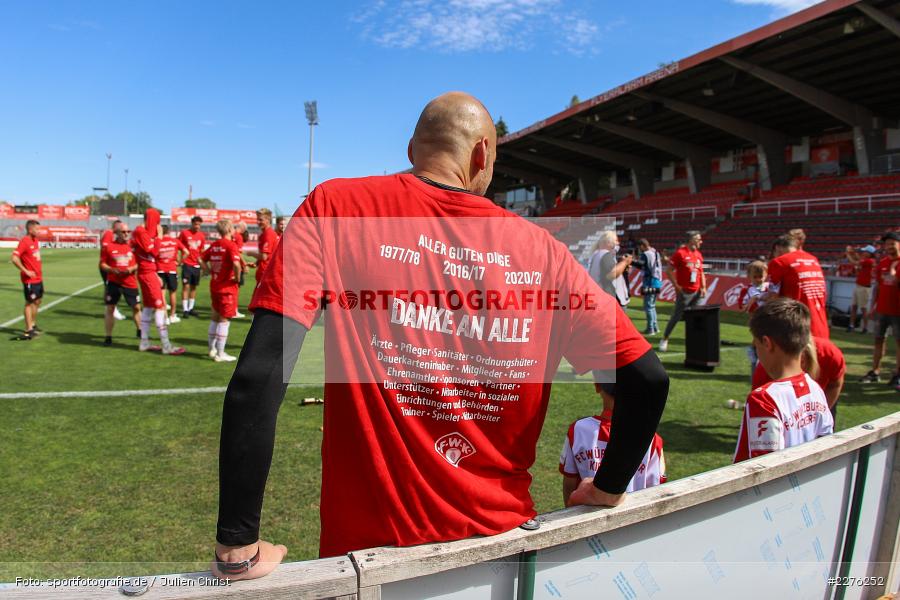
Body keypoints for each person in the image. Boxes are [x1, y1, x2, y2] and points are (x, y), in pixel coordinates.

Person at [211, 92, 669, 580]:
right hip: (501, 557)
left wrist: (237, 544)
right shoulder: (544, 251)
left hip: (368, 563)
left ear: (412, 151)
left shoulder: (337, 206)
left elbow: (259, 374)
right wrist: (609, 485)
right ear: (482, 155)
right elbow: (646, 378)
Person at [733, 298, 833, 463]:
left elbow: (763, 467)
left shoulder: (764, 399)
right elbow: (826, 441)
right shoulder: (815, 389)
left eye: (756, 345)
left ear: (767, 343)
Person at [560, 382, 666, 505]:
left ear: (597, 386)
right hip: (634, 518)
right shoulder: (652, 438)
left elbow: (569, 483)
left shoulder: (578, 430)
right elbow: (656, 488)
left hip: (585, 516)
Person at [752, 335, 845, 423]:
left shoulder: (831, 355)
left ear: (802, 360)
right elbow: (759, 415)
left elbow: (835, 384)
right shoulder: (767, 370)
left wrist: (820, 413)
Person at [132, 209, 185, 355]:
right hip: (147, 273)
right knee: (160, 307)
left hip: (148, 272)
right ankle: (166, 345)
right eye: (157, 221)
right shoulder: (141, 232)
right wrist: (160, 237)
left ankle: (144, 342)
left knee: (148, 307)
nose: (158, 225)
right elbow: (154, 252)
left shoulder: (142, 233)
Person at [768, 234, 829, 339]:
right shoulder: (813, 259)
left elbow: (772, 297)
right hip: (820, 327)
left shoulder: (779, 262)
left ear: (777, 248)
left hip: (794, 328)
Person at [860, 232, 900, 386]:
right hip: (882, 309)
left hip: (898, 311)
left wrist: (895, 277)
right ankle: (875, 371)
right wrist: (872, 306)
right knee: (878, 340)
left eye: (892, 243)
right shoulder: (882, 263)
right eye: (887, 244)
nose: (889, 247)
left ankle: (898, 374)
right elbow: (877, 287)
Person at [201, 219, 242, 362]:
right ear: (230, 229)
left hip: (215, 285)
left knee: (215, 318)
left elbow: (201, 258)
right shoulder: (230, 245)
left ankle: (211, 350)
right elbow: (236, 264)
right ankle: (220, 353)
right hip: (227, 288)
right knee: (224, 321)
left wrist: (207, 270)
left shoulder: (214, 245)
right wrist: (237, 278)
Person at [659, 231, 705, 352]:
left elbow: (701, 272)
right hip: (685, 292)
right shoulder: (680, 253)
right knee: (676, 316)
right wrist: (677, 286)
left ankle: (694, 341)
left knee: (696, 318)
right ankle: (665, 338)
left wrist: (703, 287)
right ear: (691, 240)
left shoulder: (699, 254)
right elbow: (669, 270)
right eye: (699, 239)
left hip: (697, 293)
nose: (701, 241)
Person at [100, 221, 141, 345]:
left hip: (130, 282)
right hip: (114, 282)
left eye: (128, 231)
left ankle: (140, 330)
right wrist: (111, 270)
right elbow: (102, 264)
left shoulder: (133, 246)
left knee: (136, 307)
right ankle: (108, 337)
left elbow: (140, 262)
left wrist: (132, 269)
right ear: (116, 233)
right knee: (110, 308)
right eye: (123, 232)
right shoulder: (109, 247)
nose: (126, 234)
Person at [10, 219, 43, 340]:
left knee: (38, 301)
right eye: (37, 229)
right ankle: (28, 329)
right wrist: (26, 271)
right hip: (29, 280)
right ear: (30, 229)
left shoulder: (35, 240)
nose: (39, 231)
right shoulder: (25, 241)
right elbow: (14, 258)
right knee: (29, 303)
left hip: (38, 278)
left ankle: (33, 325)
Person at [738, 261, 772, 376]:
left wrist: (759, 297)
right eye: (755, 277)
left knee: (766, 339)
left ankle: (757, 354)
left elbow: (774, 298)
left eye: (760, 277)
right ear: (749, 276)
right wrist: (749, 304)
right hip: (756, 318)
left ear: (766, 275)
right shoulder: (746, 290)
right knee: (759, 337)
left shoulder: (769, 288)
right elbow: (742, 307)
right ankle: (753, 352)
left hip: (770, 317)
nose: (758, 279)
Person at [587, 230, 631, 307]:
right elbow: (611, 275)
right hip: (610, 299)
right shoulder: (605, 254)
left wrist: (622, 266)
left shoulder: (597, 254)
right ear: (608, 242)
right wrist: (624, 262)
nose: (618, 243)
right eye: (616, 240)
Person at [156, 225, 187, 324]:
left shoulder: (158, 241)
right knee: (172, 294)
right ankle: (172, 316)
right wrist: (180, 262)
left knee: (162, 294)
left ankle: (164, 317)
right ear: (168, 231)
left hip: (160, 270)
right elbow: (186, 252)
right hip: (172, 270)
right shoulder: (175, 241)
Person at [633, 238, 662, 335]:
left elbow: (641, 264)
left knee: (648, 306)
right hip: (657, 280)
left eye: (639, 247)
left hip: (650, 281)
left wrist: (631, 261)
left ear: (642, 246)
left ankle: (651, 329)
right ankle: (655, 327)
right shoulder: (655, 251)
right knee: (652, 306)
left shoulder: (646, 254)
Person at [179, 216, 206, 318]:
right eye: (196, 224)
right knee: (186, 286)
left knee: (194, 287)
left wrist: (203, 264)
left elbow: (202, 251)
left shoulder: (202, 236)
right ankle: (185, 309)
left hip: (196, 265)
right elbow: (179, 246)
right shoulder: (184, 233)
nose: (197, 226)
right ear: (192, 223)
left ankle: (191, 308)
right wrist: (180, 259)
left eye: (199, 225)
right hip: (187, 264)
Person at [100, 219, 127, 321]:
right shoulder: (109, 234)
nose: (121, 230)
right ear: (115, 226)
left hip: (108, 264)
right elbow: (106, 247)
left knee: (109, 287)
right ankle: (112, 310)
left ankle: (111, 309)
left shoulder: (110, 234)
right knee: (111, 288)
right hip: (108, 265)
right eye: (120, 227)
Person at [845, 244, 876, 333]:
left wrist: (848, 254)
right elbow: (858, 259)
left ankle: (865, 327)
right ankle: (851, 325)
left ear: (870, 253)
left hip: (864, 288)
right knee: (854, 306)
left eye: (865, 251)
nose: (863, 253)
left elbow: (855, 262)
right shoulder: (867, 260)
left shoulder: (870, 261)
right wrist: (853, 253)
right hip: (859, 286)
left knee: (863, 308)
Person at [247, 208, 278, 284]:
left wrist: (251, 253)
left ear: (268, 220)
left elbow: (264, 256)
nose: (258, 222)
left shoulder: (269, 234)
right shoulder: (264, 234)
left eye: (261, 220)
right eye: (257, 219)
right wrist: (256, 263)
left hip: (266, 275)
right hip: (263, 274)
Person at [231, 222, 249, 318]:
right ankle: (234, 311)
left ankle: (231, 310)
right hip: (236, 265)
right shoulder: (239, 237)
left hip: (230, 265)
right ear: (242, 228)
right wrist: (244, 264)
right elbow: (238, 252)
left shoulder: (232, 235)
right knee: (236, 289)